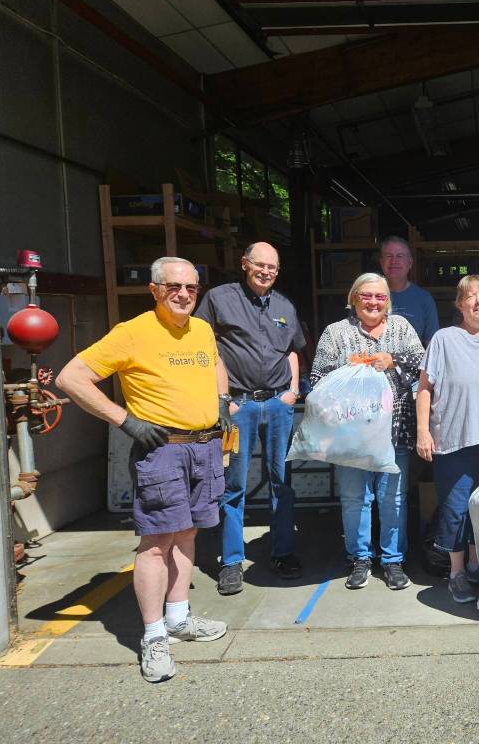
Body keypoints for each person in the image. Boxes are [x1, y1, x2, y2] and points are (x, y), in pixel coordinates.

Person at [55, 257, 229, 683]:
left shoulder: (201, 329)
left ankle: (178, 617)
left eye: (191, 287)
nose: (184, 294)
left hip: (204, 446)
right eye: (174, 287)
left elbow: (215, 364)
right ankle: (153, 636)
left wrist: (222, 401)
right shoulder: (133, 332)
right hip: (163, 450)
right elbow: (71, 377)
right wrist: (125, 420)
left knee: (188, 533)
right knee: (156, 543)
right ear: (154, 290)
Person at [194, 242, 306, 595]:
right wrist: (221, 398)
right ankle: (230, 562)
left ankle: (283, 552)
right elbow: (201, 346)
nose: (266, 272)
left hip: (276, 405)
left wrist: (292, 392)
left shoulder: (284, 305)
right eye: (260, 265)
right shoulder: (218, 299)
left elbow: (291, 349)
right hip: (237, 408)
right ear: (244, 264)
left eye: (272, 267)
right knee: (233, 485)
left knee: (282, 481)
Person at [310, 272, 424, 590]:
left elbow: (423, 364)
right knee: (354, 498)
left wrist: (393, 359)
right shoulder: (336, 333)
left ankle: (392, 561)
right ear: (353, 299)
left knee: (393, 498)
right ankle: (359, 559)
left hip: (394, 428)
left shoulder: (402, 328)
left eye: (380, 297)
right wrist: (348, 369)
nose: (373, 302)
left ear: (388, 302)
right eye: (366, 296)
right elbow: (317, 377)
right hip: (350, 434)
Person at [416, 275, 479, 604]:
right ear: (460, 305)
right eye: (470, 297)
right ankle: (455, 573)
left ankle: (474, 566)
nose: (478, 301)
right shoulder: (444, 339)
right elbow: (424, 389)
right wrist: (423, 431)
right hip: (452, 441)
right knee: (455, 510)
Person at [380, 235, 439, 346]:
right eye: (389, 256)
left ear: (410, 263)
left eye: (400, 256)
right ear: (381, 262)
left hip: (411, 362)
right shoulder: (367, 297)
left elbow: (431, 344)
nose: (394, 261)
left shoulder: (424, 299)